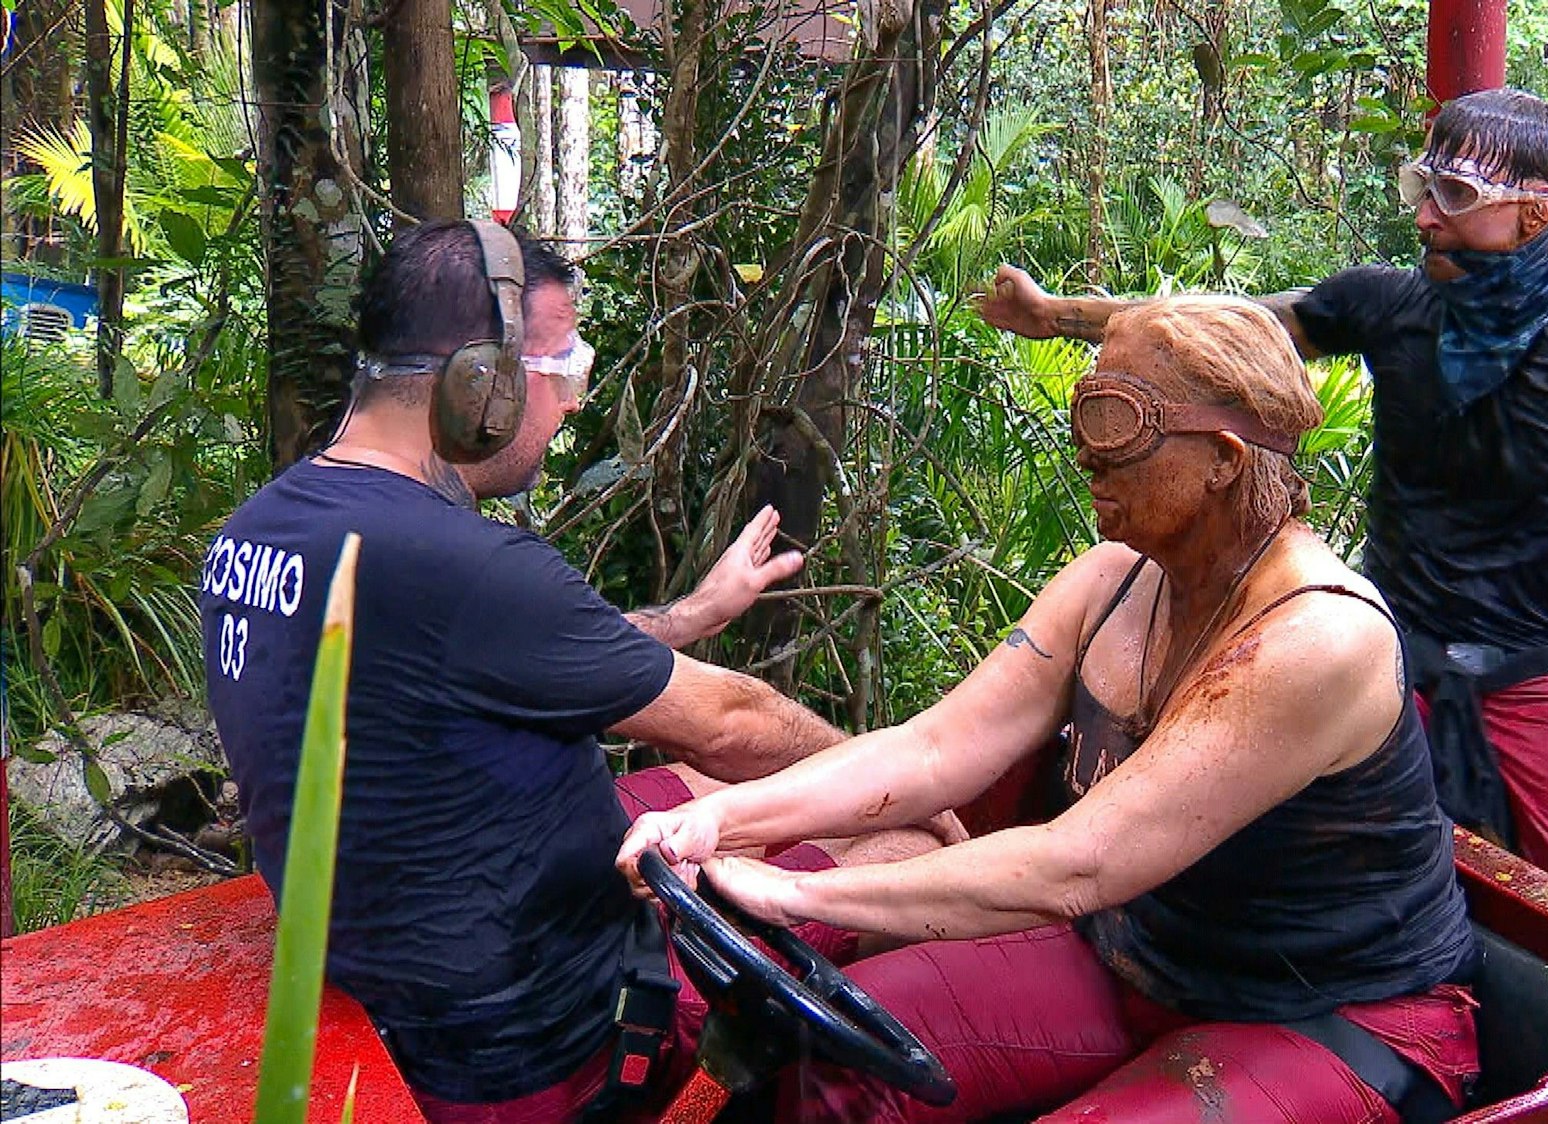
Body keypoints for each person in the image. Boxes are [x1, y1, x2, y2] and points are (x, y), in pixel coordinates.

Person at [619, 295, 1482, 1124]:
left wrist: (798, 893)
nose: (1086, 458)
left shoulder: (1317, 637)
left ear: (1223, 458)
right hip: (1136, 960)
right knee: (838, 1056)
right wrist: (721, 820)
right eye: (1083, 416)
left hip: (1327, 1016)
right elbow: (932, 752)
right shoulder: (1113, 582)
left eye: (1117, 424)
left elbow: (1077, 863)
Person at [972, 88, 1548, 947]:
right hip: (1380, 659)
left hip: (1540, 678)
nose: (1425, 217)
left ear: (1535, 212)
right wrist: (1052, 316)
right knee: (1235, 860)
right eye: (1422, 187)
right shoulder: (1391, 306)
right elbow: (1223, 335)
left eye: (1455, 197)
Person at [199, 219, 953, 1122]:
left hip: (394, 964)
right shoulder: (467, 566)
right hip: (549, 1040)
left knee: (714, 790)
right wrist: (918, 780)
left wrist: (693, 614)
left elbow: (487, 661)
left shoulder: (260, 529)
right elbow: (738, 722)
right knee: (906, 844)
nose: (567, 404)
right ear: (479, 383)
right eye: (559, 370)